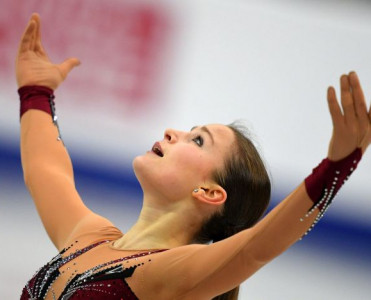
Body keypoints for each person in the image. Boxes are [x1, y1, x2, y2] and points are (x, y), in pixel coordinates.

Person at [17, 13, 370, 300]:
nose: (172, 132)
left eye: (197, 141)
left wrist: (336, 168)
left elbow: (256, 247)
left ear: (210, 192)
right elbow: (46, 171)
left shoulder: (171, 274)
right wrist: (35, 92)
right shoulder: (89, 236)